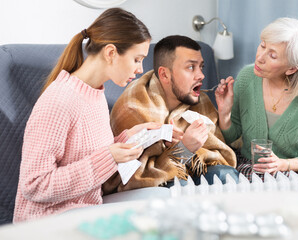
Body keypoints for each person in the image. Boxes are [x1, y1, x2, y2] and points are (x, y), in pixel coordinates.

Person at [13, 8, 161, 223]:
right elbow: (35, 185)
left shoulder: (95, 93)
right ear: (111, 53)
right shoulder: (58, 101)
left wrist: (129, 138)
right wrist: (109, 157)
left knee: (162, 201)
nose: (140, 69)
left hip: (82, 210)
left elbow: (87, 153)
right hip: (46, 222)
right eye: (137, 59)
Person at [103, 35, 237, 193]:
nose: (201, 75)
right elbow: (128, 179)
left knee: (226, 175)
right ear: (165, 75)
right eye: (191, 67)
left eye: (201, 67)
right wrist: (184, 149)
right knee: (179, 187)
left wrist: (224, 113)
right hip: (152, 187)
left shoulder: (199, 101)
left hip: (188, 169)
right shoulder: (133, 108)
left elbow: (222, 155)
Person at [215, 17, 298, 179]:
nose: (260, 57)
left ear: (292, 68)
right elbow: (230, 138)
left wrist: (283, 164)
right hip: (247, 166)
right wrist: (224, 113)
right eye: (262, 46)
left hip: (293, 174)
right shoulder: (247, 77)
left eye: (272, 55)